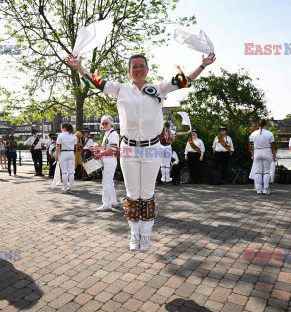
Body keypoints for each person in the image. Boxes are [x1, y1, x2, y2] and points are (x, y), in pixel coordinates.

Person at [68, 51, 216, 251]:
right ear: (129, 72)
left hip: (152, 149)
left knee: (146, 193)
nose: (138, 69)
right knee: (132, 193)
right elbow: (96, 83)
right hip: (128, 148)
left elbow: (185, 81)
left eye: (141, 66)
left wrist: (203, 65)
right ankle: (133, 233)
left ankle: (146, 234)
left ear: (147, 69)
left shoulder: (158, 89)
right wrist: (79, 67)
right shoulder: (120, 89)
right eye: (134, 67)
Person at [95, 116, 120, 211]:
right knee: (109, 182)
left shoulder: (113, 134)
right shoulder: (107, 133)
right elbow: (105, 147)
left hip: (109, 159)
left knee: (106, 182)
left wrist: (100, 153)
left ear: (111, 123)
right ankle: (113, 201)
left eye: (106, 123)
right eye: (103, 124)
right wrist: (98, 151)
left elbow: (112, 148)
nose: (104, 125)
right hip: (106, 159)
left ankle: (106, 204)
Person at [249, 119, 276, 194]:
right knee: (266, 172)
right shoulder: (270, 133)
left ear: (258, 125)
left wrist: (252, 155)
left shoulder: (253, 134)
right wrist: (274, 155)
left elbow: (251, 147)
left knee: (258, 172)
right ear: (266, 125)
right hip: (267, 152)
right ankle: (266, 189)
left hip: (257, 152)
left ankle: (258, 189)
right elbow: (272, 146)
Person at [55, 123, 77, 192]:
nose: (61, 129)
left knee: (64, 171)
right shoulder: (74, 136)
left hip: (63, 153)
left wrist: (56, 155)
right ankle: (71, 187)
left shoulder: (61, 135)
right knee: (71, 171)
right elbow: (75, 147)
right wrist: (75, 155)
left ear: (64, 128)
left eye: (61, 127)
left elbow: (58, 146)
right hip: (71, 153)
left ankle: (64, 187)